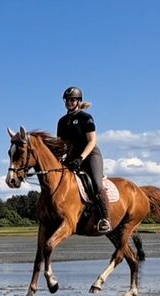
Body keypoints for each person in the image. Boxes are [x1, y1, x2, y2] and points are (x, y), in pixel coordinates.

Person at [57, 86, 111, 233]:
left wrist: (81, 158)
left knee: (96, 183)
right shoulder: (62, 122)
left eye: (73, 99)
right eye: (67, 100)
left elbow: (91, 141)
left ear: (78, 101)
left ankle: (105, 218)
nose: (69, 102)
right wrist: (60, 158)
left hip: (90, 154)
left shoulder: (86, 118)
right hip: (72, 157)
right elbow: (60, 144)